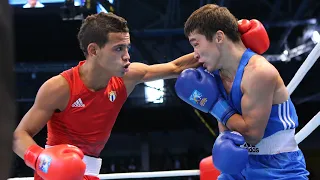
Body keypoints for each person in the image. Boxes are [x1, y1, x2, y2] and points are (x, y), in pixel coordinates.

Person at [13, 12, 259, 180]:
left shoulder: (127, 76)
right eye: (118, 49)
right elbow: (18, 137)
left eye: (127, 48)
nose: (127, 56)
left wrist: (229, 40)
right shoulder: (60, 87)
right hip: (55, 172)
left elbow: (175, 68)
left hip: (89, 171)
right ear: (93, 50)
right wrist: (42, 161)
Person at [175, 4, 310, 180]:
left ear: (219, 37)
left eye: (196, 44)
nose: (195, 55)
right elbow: (173, 68)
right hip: (238, 168)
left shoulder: (259, 72)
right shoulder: (215, 73)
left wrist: (215, 105)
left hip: (279, 169)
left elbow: (252, 135)